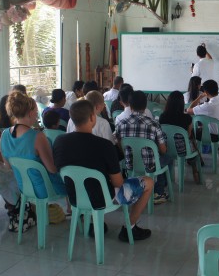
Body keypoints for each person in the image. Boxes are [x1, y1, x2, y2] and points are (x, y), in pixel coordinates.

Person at [54, 100, 153, 242]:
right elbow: (118, 183)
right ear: (92, 117)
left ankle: (94, 222)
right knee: (148, 182)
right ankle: (129, 228)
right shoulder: (105, 145)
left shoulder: (59, 141)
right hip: (103, 198)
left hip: (75, 196)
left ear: (72, 119)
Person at [0, 92, 67, 201]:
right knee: (75, 181)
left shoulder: (4, 135)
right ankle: (79, 214)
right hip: (45, 188)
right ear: (30, 113)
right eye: (36, 111)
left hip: (23, 187)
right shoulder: (38, 137)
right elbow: (52, 169)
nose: (36, 114)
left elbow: (8, 166)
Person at [114, 91, 171, 204]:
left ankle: (136, 190)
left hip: (130, 163)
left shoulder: (121, 124)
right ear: (146, 105)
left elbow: (120, 145)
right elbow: (163, 150)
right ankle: (158, 192)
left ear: (130, 105)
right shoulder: (154, 124)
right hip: (151, 165)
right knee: (167, 158)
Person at [159, 91, 200, 184]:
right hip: (183, 150)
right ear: (182, 103)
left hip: (166, 148)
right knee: (193, 143)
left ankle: (168, 179)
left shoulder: (162, 117)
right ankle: (195, 170)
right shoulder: (187, 118)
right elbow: (188, 135)